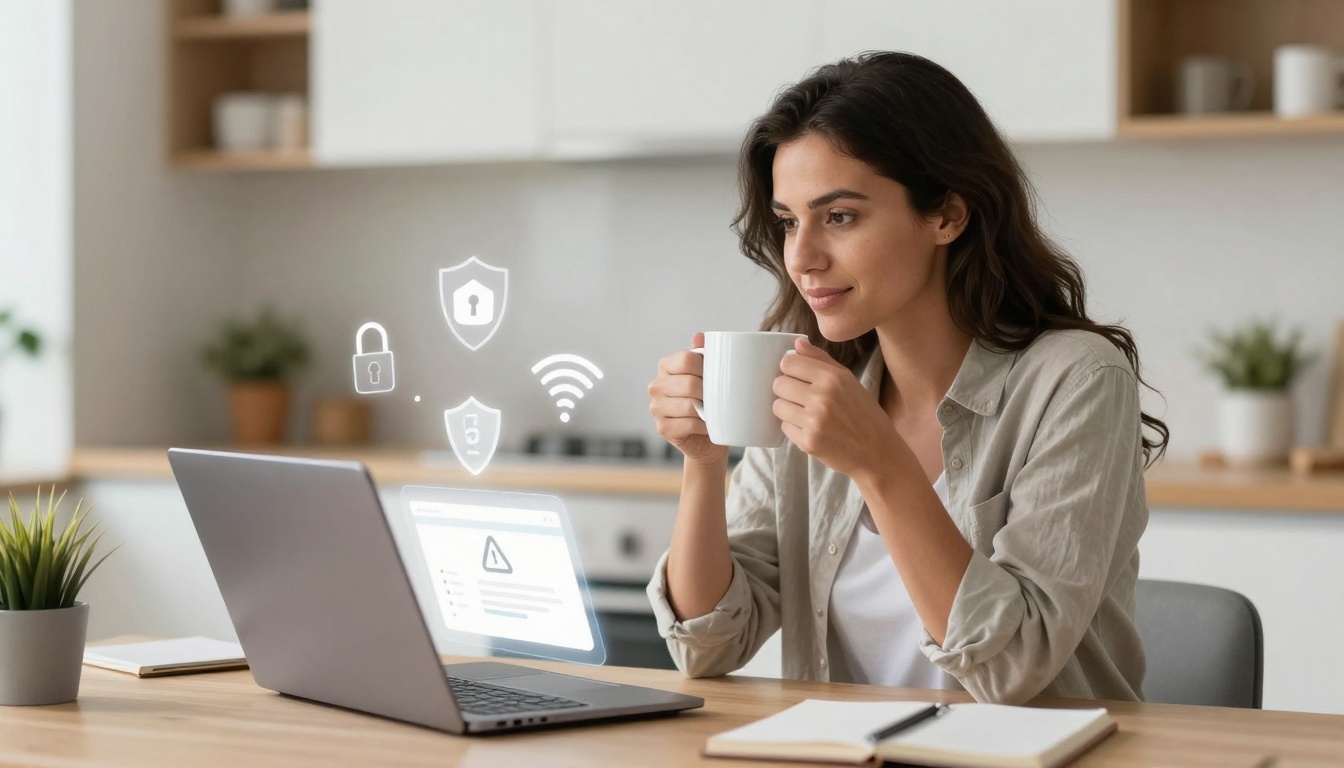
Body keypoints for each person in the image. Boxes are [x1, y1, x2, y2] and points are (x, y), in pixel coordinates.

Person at [645, 51, 1168, 705]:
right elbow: (707, 645)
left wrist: (880, 463)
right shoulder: (813, 381)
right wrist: (704, 461)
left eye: (839, 217)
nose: (802, 257)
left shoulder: (1074, 381)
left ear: (947, 214)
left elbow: (1012, 667)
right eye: (788, 222)